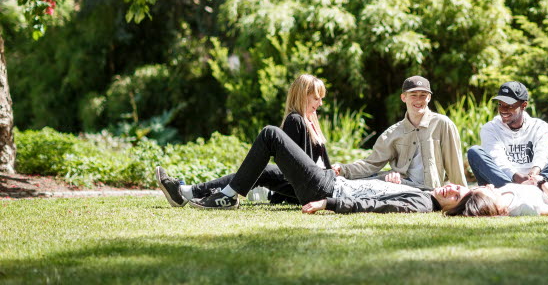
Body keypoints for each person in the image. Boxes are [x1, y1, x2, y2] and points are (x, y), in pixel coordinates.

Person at [163, 122, 470, 213]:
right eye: (456, 185)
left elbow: (373, 206)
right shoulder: (425, 193)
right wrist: (389, 178)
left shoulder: (420, 203)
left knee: (271, 135)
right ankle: (186, 192)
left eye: (456, 193)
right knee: (268, 174)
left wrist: (328, 203)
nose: (452, 186)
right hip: (328, 182)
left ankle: (228, 194)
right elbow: (377, 188)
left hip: (327, 188)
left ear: (453, 207)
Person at [155, 73, 331, 208]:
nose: (320, 103)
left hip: (313, 185)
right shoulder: (297, 120)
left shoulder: (306, 121)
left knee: (265, 171)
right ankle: (190, 192)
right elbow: (294, 164)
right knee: (265, 171)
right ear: (302, 96)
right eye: (316, 98)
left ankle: (188, 191)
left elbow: (299, 168)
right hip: (312, 183)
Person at [332, 76, 466, 190]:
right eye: (413, 95)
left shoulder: (442, 124)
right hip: (400, 187)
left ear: (429, 98)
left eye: (423, 95)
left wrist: (463, 195)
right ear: (403, 97)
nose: (418, 100)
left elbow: (455, 164)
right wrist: (343, 169)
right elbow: (371, 164)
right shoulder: (392, 133)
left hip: (429, 190)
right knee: (360, 183)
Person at [466, 81, 548, 187]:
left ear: (523, 105)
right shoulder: (490, 128)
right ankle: (514, 192)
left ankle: (540, 186)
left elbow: (543, 154)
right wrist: (517, 178)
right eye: (500, 104)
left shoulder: (539, 126)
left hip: (536, 179)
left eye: (509, 105)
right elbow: (497, 159)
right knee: (474, 152)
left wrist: (533, 174)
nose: (503, 110)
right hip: (504, 183)